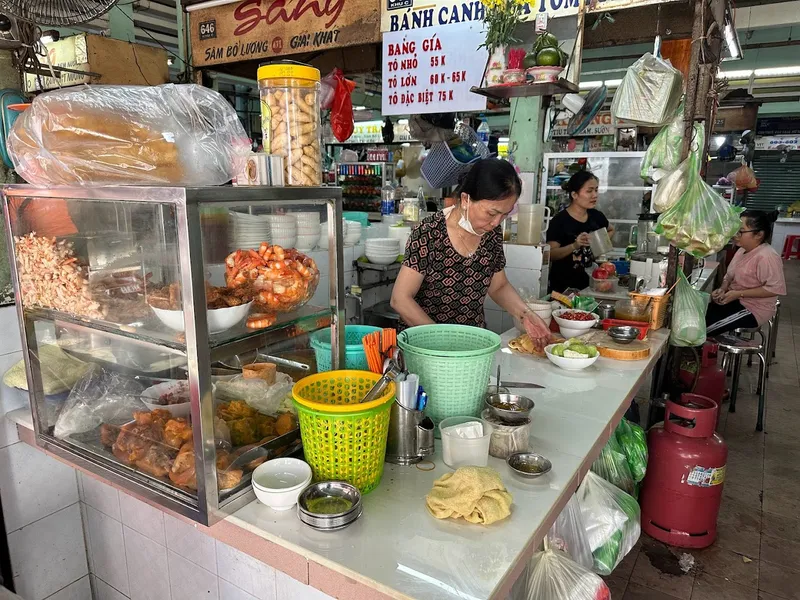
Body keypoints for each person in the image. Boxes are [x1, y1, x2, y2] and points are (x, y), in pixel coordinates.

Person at [391, 158, 550, 347]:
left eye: (504, 215)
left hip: (470, 343)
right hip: (425, 345)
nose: (496, 222)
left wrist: (526, 315)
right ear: (466, 199)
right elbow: (400, 299)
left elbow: (498, 286)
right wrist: (441, 341)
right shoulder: (429, 232)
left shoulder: (491, 234)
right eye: (491, 213)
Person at [706, 210, 785, 335]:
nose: (735, 235)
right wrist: (723, 288)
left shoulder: (767, 256)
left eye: (740, 232)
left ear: (758, 234)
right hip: (735, 301)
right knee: (698, 318)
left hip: (752, 308)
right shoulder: (741, 250)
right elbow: (729, 276)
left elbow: (774, 289)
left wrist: (738, 294)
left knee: (703, 330)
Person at [546, 171, 614, 293]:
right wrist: (575, 245)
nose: (595, 195)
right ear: (574, 194)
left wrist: (598, 245)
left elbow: (611, 229)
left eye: (596, 190)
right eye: (589, 191)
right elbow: (550, 254)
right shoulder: (560, 221)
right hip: (563, 288)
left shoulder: (596, 216)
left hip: (591, 285)